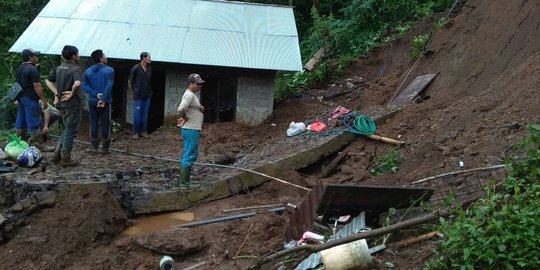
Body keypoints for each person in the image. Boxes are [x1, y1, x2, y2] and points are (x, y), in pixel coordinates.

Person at [45, 45, 83, 167]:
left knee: (67, 129)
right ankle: (66, 159)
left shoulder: (59, 68)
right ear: (73, 56)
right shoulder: (76, 69)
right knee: (70, 131)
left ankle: (56, 154)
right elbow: (77, 83)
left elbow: (48, 81)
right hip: (72, 105)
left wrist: (56, 92)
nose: (79, 55)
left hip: (61, 105)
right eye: (78, 53)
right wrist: (72, 93)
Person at [82, 49, 115, 155]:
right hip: (106, 101)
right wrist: (103, 99)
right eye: (104, 55)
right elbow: (109, 85)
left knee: (93, 122)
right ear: (101, 58)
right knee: (106, 123)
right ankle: (105, 149)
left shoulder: (88, 71)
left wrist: (95, 94)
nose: (106, 57)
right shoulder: (110, 70)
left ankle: (94, 148)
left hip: (92, 100)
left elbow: (84, 86)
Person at [14, 48, 48, 147]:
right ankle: (38, 145)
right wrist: (43, 100)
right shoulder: (32, 69)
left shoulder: (20, 68)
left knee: (20, 119)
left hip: (21, 97)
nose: (37, 57)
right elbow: (37, 86)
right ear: (30, 57)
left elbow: (18, 83)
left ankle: (21, 143)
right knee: (33, 121)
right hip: (30, 98)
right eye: (35, 55)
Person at [177, 73, 205, 189]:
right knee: (189, 155)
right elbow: (181, 108)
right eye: (197, 84)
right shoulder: (189, 95)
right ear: (190, 84)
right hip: (191, 129)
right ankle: (184, 184)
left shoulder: (192, 95)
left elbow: (190, 108)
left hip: (193, 129)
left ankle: (186, 182)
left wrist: (199, 108)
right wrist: (185, 118)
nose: (199, 86)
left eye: (200, 84)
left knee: (191, 154)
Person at [128, 52, 152, 140]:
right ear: (144, 58)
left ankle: (143, 132)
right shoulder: (136, 68)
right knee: (137, 115)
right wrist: (133, 92)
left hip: (146, 95)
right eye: (149, 57)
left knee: (144, 115)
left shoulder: (149, 69)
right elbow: (130, 82)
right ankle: (135, 133)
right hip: (137, 96)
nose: (150, 59)